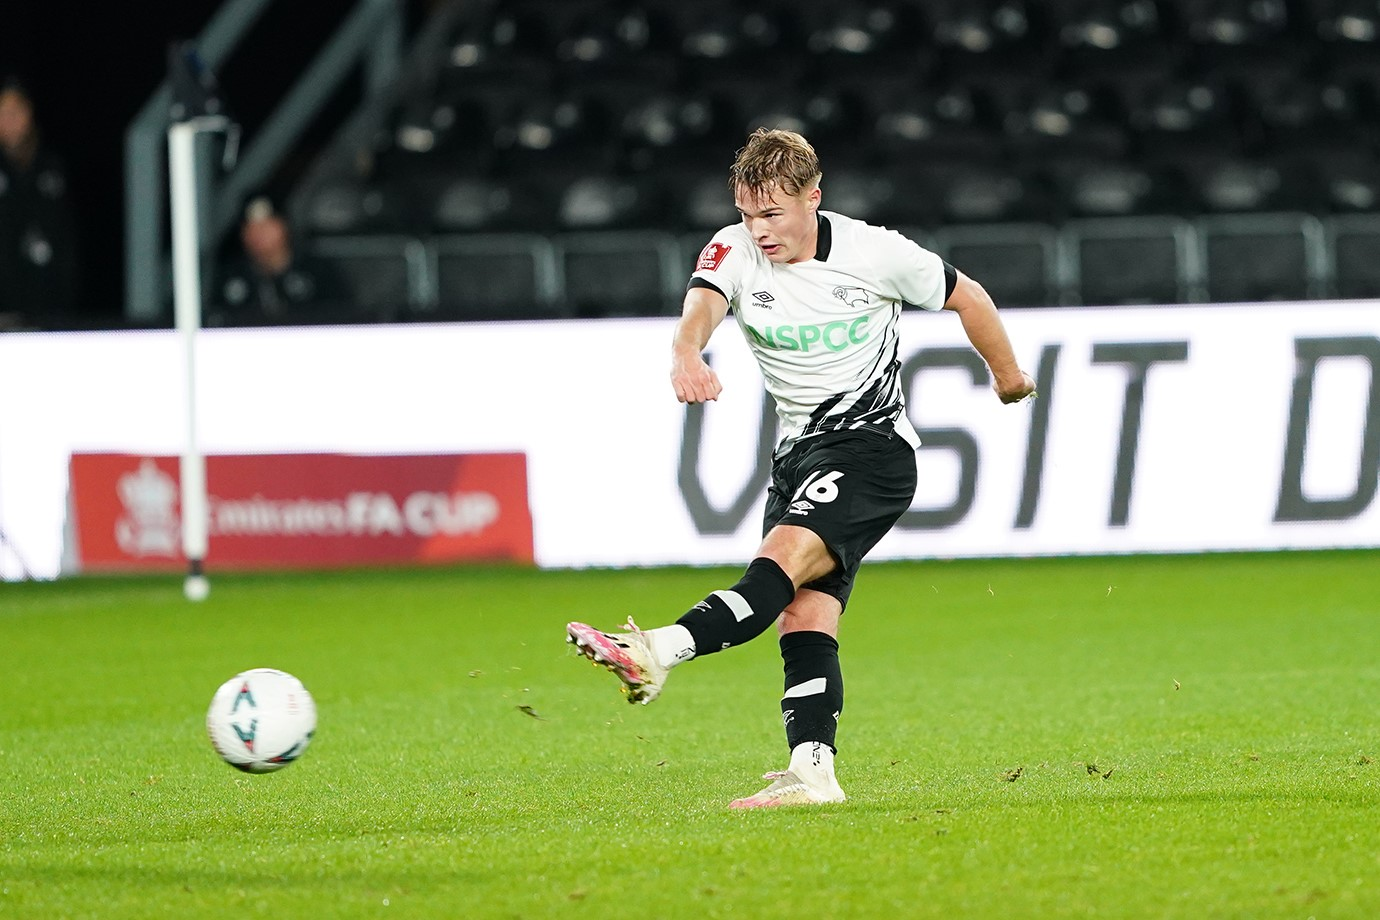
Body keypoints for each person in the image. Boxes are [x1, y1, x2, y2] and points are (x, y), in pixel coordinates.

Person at [566, 128, 1037, 809]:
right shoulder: (732, 248)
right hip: (797, 457)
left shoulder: (876, 252)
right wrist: (686, 354)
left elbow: (969, 296)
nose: (759, 230)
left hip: (871, 451)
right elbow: (703, 303)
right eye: (748, 213)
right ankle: (814, 773)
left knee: (774, 569)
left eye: (773, 214)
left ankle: (655, 651)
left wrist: (1009, 377)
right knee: (802, 616)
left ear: (813, 199)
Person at [0, 77, 79, 330]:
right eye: (2, 112)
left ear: (29, 113)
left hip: (50, 311)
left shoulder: (52, 166)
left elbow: (68, 238)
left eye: (16, 111)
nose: (9, 120)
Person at [212, 196, 346, 326]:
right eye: (251, 227)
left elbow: (343, 318)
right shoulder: (229, 278)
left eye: (266, 225)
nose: (258, 233)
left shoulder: (318, 272)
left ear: (283, 226)